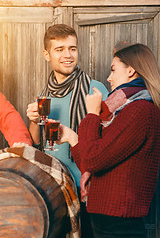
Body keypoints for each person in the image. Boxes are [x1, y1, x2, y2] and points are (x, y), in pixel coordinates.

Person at [57, 43, 160, 238]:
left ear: (131, 70)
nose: (108, 78)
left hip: (119, 219)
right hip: (109, 217)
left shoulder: (140, 111)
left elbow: (94, 160)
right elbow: (93, 161)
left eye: (113, 70)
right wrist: (71, 138)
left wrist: (92, 114)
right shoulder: (123, 111)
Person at [26, 23, 109, 237]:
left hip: (89, 189)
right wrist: (34, 121)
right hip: (54, 189)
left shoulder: (95, 89)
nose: (68, 55)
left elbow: (109, 143)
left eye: (72, 48)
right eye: (59, 49)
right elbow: (36, 143)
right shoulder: (44, 95)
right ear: (47, 54)